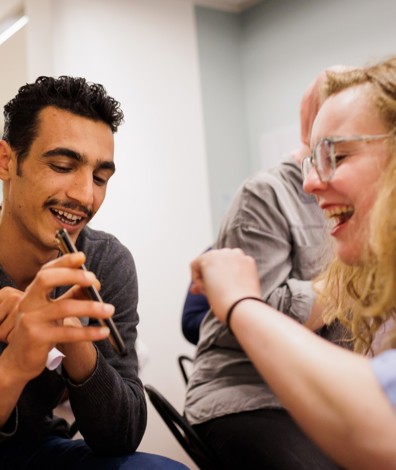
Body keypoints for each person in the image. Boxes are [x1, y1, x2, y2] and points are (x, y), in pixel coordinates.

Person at [189, 56, 396, 470]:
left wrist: (240, 301)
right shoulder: (264, 195)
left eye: (335, 155)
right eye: (313, 157)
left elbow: (380, 420)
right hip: (249, 392)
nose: (311, 182)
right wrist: (246, 303)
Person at [0, 76, 187, 469]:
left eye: (101, 178)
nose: (86, 196)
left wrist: (73, 335)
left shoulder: (104, 262)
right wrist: (16, 363)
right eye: (63, 166)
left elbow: (120, 436)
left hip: (39, 449)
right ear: (6, 161)